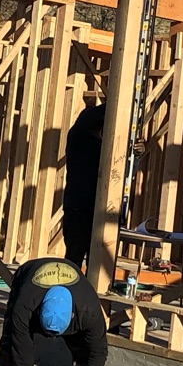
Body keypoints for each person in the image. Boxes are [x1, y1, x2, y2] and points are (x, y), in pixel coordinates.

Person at [59, 101, 106, 266]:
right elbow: (86, 120)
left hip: (102, 212)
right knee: (74, 260)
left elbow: (124, 173)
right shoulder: (79, 138)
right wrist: (119, 105)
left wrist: (135, 155)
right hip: (78, 209)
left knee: (97, 265)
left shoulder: (108, 148)